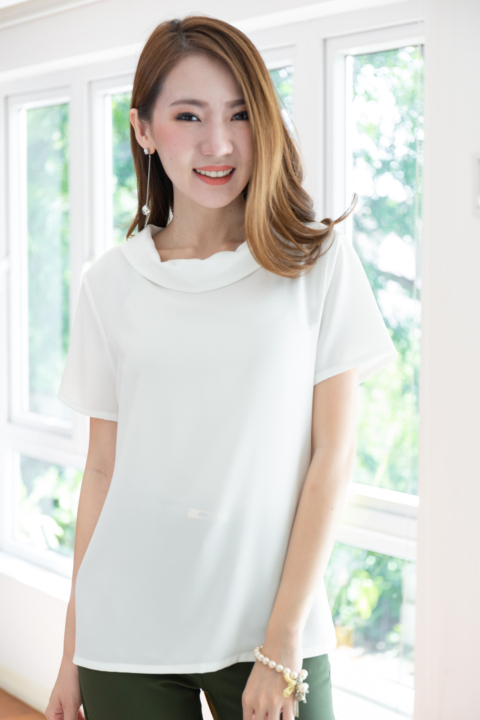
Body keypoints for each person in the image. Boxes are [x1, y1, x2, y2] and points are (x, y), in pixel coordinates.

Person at [45, 14, 397, 720]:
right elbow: (102, 471)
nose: (219, 143)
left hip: (272, 632)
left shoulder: (315, 263)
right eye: (188, 116)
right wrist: (71, 652)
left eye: (239, 114)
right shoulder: (108, 283)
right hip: (126, 633)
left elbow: (332, 456)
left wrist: (282, 640)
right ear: (144, 129)